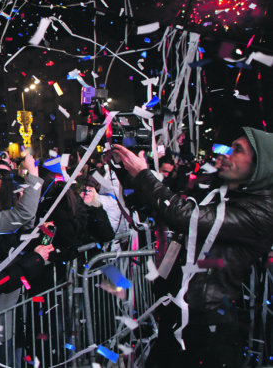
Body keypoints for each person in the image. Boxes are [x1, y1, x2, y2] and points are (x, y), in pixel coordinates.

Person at [110, 129, 273, 368]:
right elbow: (170, 207)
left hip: (209, 326)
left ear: (261, 165)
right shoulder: (223, 196)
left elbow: (184, 216)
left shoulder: (261, 210)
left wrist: (142, 173)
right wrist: (129, 172)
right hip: (183, 317)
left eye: (237, 150)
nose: (226, 154)